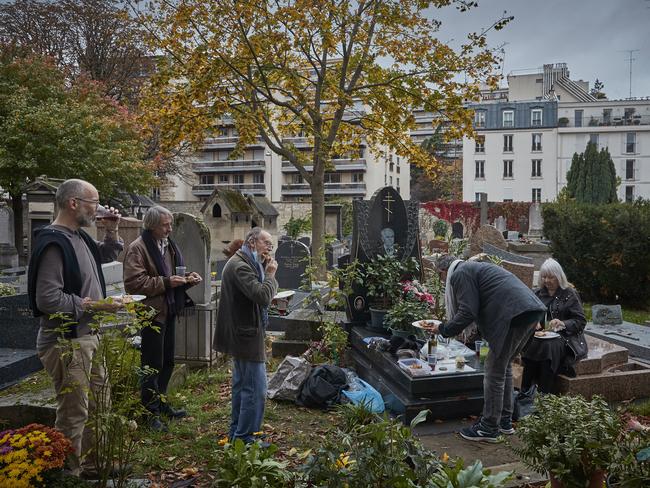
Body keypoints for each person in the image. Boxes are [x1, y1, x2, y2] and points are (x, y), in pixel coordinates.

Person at [27, 178, 124, 476]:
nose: (98, 209)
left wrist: (112, 228)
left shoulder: (79, 237)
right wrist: (95, 306)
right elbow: (48, 299)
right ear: (73, 203)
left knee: (99, 404)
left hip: (87, 336)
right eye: (93, 204)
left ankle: (93, 465)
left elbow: (106, 254)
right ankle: (67, 474)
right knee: (74, 411)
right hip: (66, 341)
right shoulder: (54, 242)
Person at [429, 255, 546, 443]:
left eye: (440, 277)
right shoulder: (472, 268)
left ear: (443, 271)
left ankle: (489, 427)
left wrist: (443, 329)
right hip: (529, 312)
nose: (443, 282)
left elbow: (468, 311)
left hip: (514, 316)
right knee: (504, 367)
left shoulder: (460, 274)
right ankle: (505, 421)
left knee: (493, 371)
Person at [123, 206, 202, 431]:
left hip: (168, 310)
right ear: (151, 225)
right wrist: (168, 283)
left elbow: (171, 274)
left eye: (170, 224)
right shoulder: (138, 248)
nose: (169, 229)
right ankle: (149, 414)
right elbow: (134, 284)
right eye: (165, 225)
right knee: (151, 365)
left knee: (168, 361)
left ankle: (161, 403)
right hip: (151, 314)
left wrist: (187, 279)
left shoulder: (167, 245)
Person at [213, 227, 278, 444]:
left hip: (243, 331)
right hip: (245, 334)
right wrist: (270, 275)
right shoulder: (240, 266)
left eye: (271, 243)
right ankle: (245, 438)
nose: (270, 246)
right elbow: (262, 296)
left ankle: (237, 434)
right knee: (256, 390)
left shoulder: (247, 261)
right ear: (252, 243)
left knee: (243, 387)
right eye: (266, 242)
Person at [522, 258, 588, 393]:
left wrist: (563, 323)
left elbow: (580, 321)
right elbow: (528, 314)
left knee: (548, 346)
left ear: (559, 277)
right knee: (531, 344)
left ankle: (544, 392)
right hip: (540, 336)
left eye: (551, 277)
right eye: (544, 277)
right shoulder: (538, 293)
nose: (547, 281)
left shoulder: (570, 294)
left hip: (565, 337)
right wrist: (532, 323)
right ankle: (525, 391)